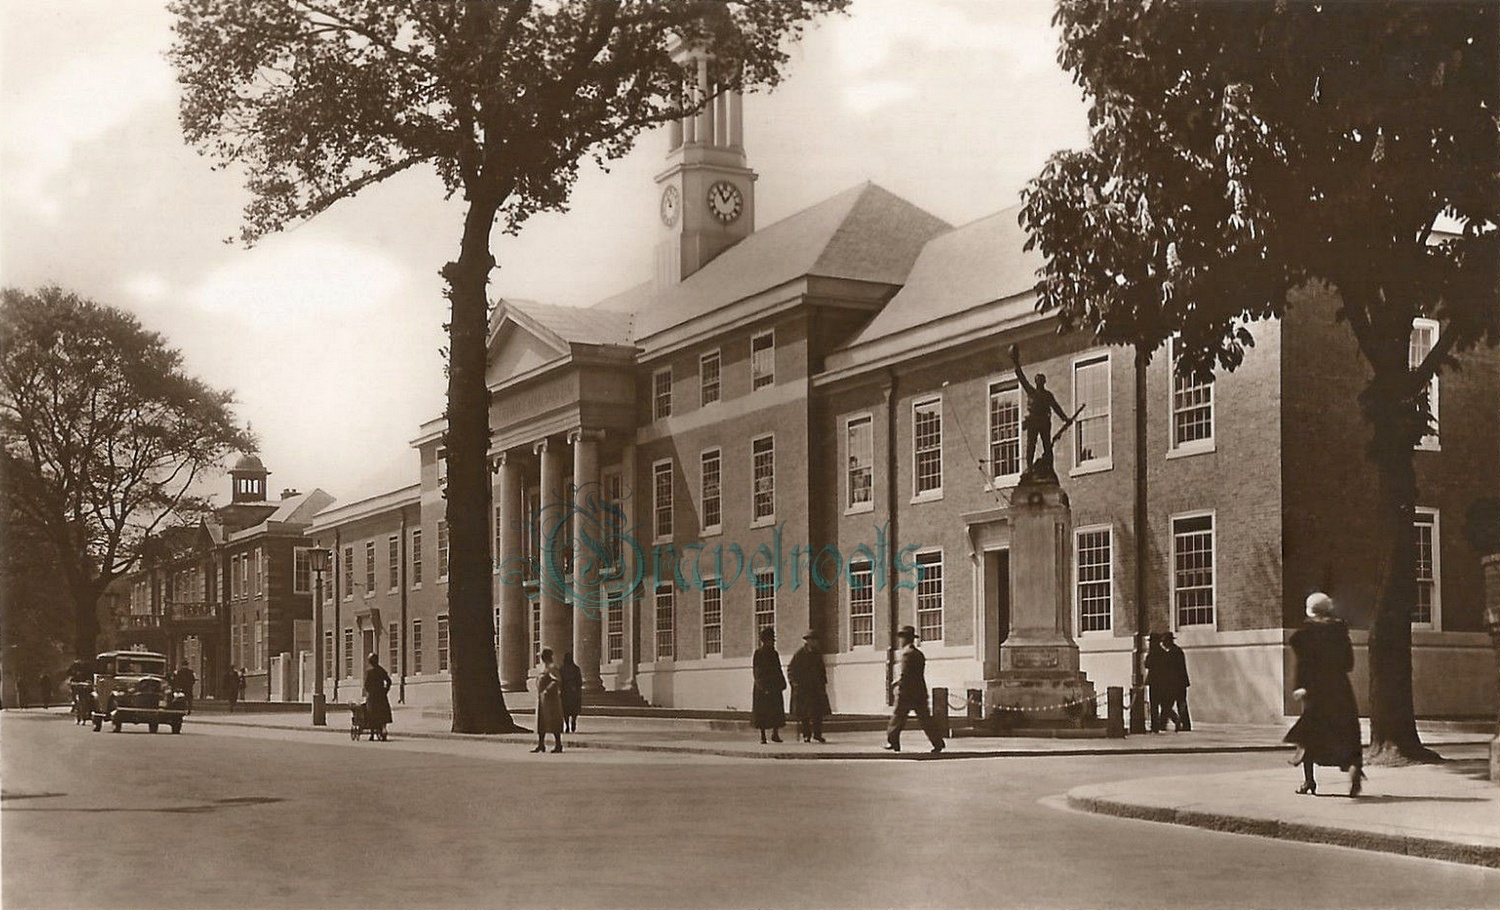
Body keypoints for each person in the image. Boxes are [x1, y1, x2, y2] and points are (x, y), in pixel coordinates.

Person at [1285, 592, 1365, 796]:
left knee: (1309, 734)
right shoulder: (1341, 633)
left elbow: (1303, 665)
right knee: (1346, 731)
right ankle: (1354, 768)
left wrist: (1300, 686)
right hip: (1340, 689)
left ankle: (1309, 781)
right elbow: (1349, 664)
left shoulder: (1305, 635)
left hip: (1314, 690)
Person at [1009, 344, 1072, 475]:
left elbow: (1056, 407)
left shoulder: (1048, 395)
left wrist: (1065, 418)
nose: (1039, 383)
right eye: (1037, 381)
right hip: (1033, 421)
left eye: (1041, 381)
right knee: (1031, 445)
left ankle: (1049, 466)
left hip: (1044, 421)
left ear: (1044, 382)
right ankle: (1030, 467)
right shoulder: (1031, 392)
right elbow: (1022, 378)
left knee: (1047, 446)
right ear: (1036, 382)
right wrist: (1016, 363)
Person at [885, 625, 945, 754]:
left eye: (902, 638)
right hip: (919, 691)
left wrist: (896, 684)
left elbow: (905, 674)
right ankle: (938, 742)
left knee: (897, 717)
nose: (900, 641)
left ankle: (893, 742)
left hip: (906, 692)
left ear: (905, 639)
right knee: (925, 719)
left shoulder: (907, 654)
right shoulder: (919, 654)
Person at [786, 630, 830, 743]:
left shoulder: (817, 654)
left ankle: (817, 734)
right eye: (813, 640)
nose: (815, 642)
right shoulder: (800, 654)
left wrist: (823, 683)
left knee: (817, 712)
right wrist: (794, 683)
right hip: (804, 688)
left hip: (816, 687)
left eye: (816, 640)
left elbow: (821, 670)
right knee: (804, 713)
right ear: (808, 641)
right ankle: (806, 735)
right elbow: (791, 670)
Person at [1145, 632, 1191, 732]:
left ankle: (1160, 724)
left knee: (1164, 705)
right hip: (1174, 682)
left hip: (1170, 683)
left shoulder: (1164, 652)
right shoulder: (1172, 651)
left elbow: (1147, 664)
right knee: (1169, 704)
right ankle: (1174, 723)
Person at [751, 627, 786, 744]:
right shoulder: (758, 653)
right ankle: (763, 736)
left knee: (776, 710)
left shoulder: (774, 653)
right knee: (762, 712)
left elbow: (778, 669)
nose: (771, 643)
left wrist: (782, 682)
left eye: (772, 640)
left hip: (774, 686)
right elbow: (757, 671)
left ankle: (775, 734)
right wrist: (762, 686)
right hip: (763, 687)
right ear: (764, 641)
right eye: (769, 640)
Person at [532, 648, 564, 753]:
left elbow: (556, 680)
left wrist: (547, 690)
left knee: (553, 721)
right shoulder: (543, 667)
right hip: (542, 699)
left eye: (543, 655)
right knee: (541, 723)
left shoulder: (552, 667)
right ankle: (541, 744)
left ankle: (558, 744)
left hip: (551, 700)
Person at [363, 653, 393, 739]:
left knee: (372, 713)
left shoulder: (369, 672)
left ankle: (372, 734)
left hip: (373, 696)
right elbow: (389, 681)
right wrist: (385, 690)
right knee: (383, 713)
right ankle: (383, 728)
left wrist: (369, 692)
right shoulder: (381, 670)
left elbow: (366, 685)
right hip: (381, 695)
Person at [560, 652, 583, 734]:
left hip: (565, 693)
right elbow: (580, 682)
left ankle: (567, 725)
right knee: (574, 710)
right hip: (574, 692)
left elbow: (560, 681)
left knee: (565, 711)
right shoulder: (576, 669)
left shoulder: (562, 669)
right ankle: (573, 721)